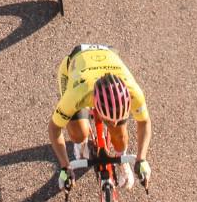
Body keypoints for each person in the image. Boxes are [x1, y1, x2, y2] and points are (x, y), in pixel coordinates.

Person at [49, 45, 152, 191]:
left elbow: (144, 121)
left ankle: (121, 158)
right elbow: (54, 128)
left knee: (120, 136)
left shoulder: (134, 92)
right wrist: (65, 166)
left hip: (108, 58)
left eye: (118, 117)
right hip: (77, 66)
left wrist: (142, 159)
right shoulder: (77, 95)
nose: (114, 122)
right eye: (110, 119)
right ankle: (81, 142)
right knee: (78, 134)